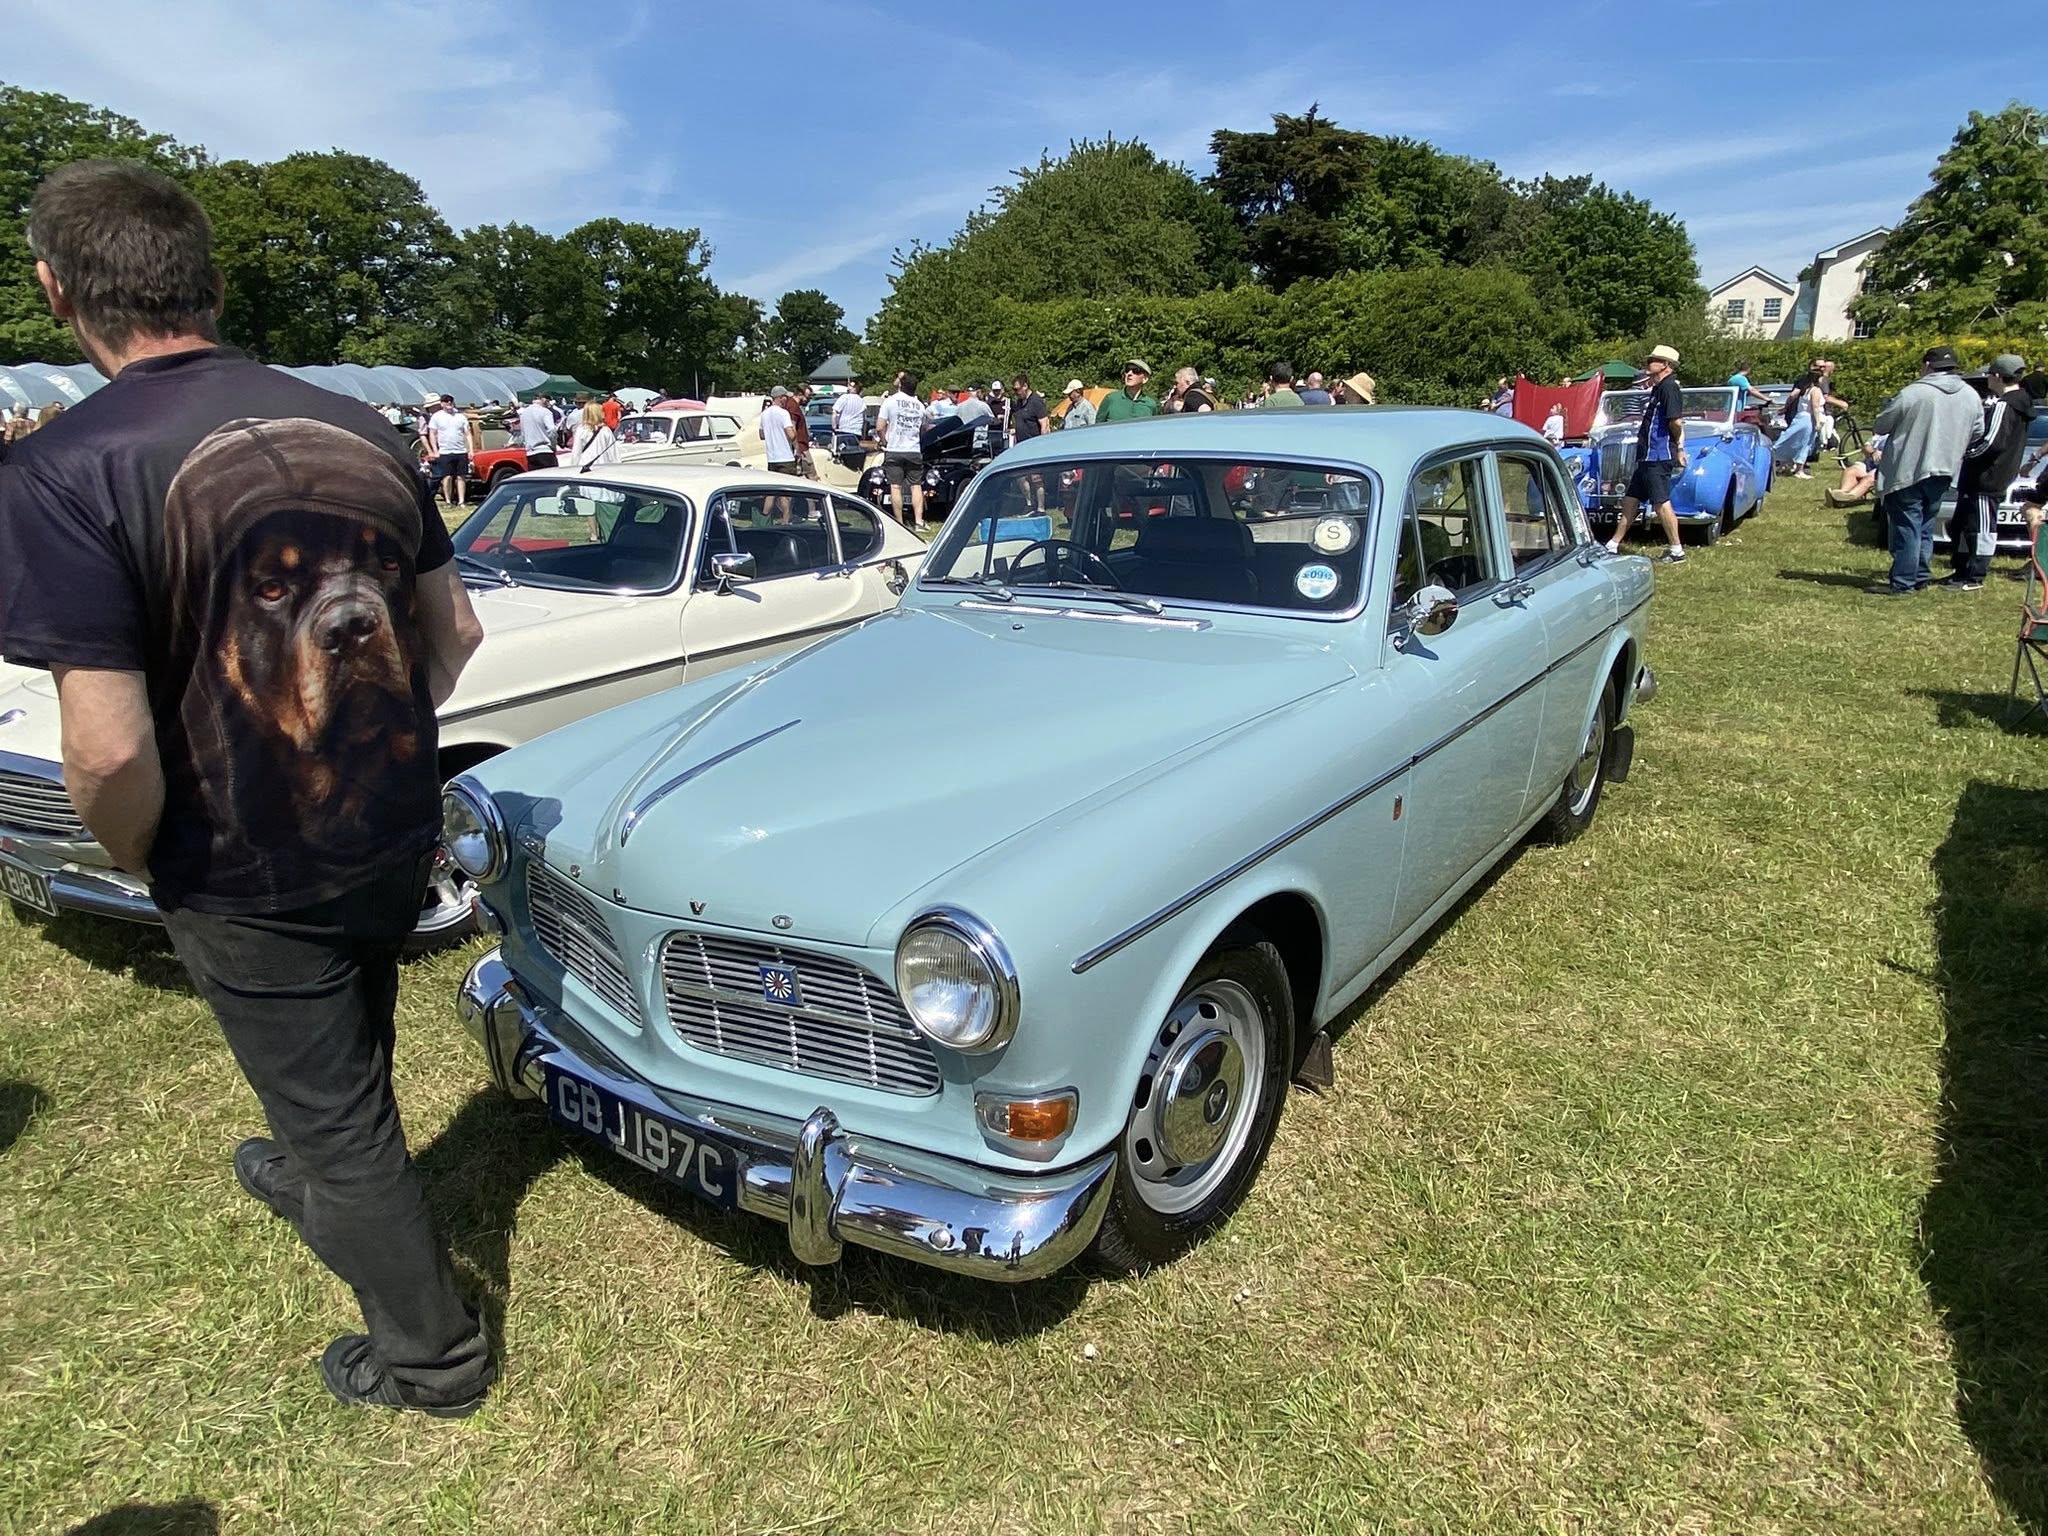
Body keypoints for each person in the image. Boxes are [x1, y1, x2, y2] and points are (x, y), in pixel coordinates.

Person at [0, 160, 491, 1416]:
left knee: (337, 1109)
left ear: (58, 292)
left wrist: (129, 848)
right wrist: (385, 747)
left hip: (239, 857)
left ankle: (433, 1357)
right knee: (339, 1038)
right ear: (208, 280)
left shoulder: (62, 469)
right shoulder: (366, 428)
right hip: (391, 814)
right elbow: (458, 636)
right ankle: (312, 1157)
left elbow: (107, 750)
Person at [1868, 345, 1986, 596]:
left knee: (1907, 526)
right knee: (1925, 524)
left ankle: (1903, 582)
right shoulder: (1970, 395)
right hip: (1945, 469)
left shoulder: (1914, 393)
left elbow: (1881, 425)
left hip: (1909, 468)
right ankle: (1920, 574)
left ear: (1927, 365)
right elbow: (1977, 431)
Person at [1940, 355, 2036, 592]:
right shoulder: (2019, 402)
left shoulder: (2006, 405)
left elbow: (1992, 442)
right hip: (1983, 476)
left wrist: (1965, 454)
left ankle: (1975, 575)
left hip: (1987, 476)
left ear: (1996, 376)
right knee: (1966, 524)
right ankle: (1960, 570)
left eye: (1988, 375)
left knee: (1982, 527)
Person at [1603, 344, 1689, 564]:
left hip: (1658, 456)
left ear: (1666, 365)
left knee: (1661, 503)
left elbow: (1676, 421)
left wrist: (1678, 447)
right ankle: (1612, 544)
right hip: (1646, 457)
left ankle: (1677, 550)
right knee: (1631, 501)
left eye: (1654, 360)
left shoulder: (1670, 388)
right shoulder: (1657, 389)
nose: (1648, 363)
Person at [877, 371, 928, 529]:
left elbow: (880, 426)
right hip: (913, 449)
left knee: (895, 486)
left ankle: (899, 522)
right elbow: (923, 428)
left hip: (895, 448)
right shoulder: (919, 405)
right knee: (916, 485)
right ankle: (919, 521)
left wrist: (885, 440)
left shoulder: (890, 401)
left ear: (901, 385)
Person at [425, 393, 471, 508]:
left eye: (450, 401)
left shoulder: (460, 417)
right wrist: (435, 450)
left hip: (460, 451)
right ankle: (448, 501)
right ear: (442, 404)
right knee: (447, 477)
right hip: (445, 451)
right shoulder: (437, 417)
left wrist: (470, 449)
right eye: (446, 401)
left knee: (461, 476)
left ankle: (461, 501)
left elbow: (468, 434)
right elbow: (432, 434)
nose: (449, 403)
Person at [759, 388, 799, 475]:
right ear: (781, 398)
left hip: (771, 459)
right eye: (786, 397)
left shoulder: (764, 414)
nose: (787, 400)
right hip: (786, 458)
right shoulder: (784, 413)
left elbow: (762, 435)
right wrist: (794, 429)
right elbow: (791, 435)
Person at [569, 401, 617, 471]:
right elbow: (613, 452)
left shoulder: (581, 430)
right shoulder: (606, 430)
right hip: (604, 465)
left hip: (585, 465)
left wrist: (573, 467)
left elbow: (576, 451)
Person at [516, 393, 559, 472]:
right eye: (548, 401)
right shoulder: (545, 411)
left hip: (530, 453)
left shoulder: (524, 413)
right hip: (545, 451)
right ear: (544, 399)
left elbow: (523, 434)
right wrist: (553, 445)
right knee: (551, 480)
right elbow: (552, 429)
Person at [831, 379, 867, 467]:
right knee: (853, 456)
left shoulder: (844, 397)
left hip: (843, 431)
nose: (848, 387)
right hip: (856, 432)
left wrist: (834, 426)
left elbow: (835, 412)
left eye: (850, 385)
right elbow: (864, 420)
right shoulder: (862, 401)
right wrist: (863, 435)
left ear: (854, 388)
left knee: (840, 455)